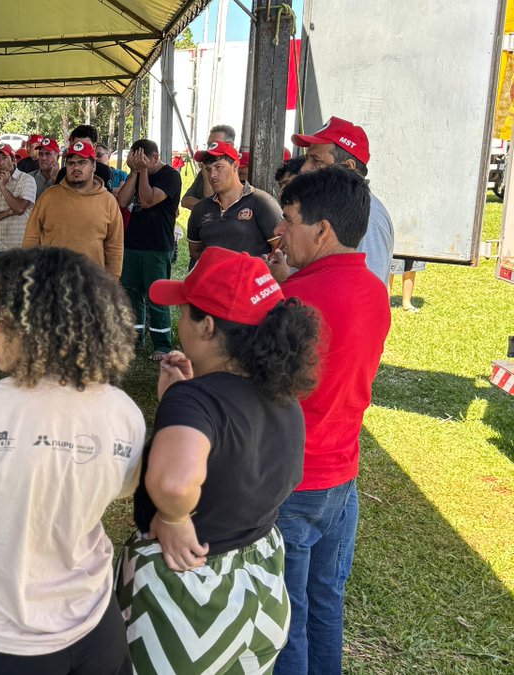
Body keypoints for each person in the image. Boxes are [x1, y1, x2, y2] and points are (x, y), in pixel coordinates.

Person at [0, 246, 144, 674]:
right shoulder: (124, 411)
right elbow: (117, 489)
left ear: (39, 326)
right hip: (95, 628)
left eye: (1, 314)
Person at [118, 247, 319, 673]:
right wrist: (181, 400)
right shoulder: (283, 397)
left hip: (188, 597)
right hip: (261, 581)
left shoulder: (196, 401)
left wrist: (174, 519)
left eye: (186, 312)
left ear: (207, 326)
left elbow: (175, 482)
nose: (179, 322)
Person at [267, 167, 391, 675]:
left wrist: (279, 291)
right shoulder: (372, 288)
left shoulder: (296, 302)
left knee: (287, 616)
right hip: (342, 476)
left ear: (322, 230)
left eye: (290, 220)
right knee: (324, 603)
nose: (280, 232)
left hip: (295, 481)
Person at [293, 115, 394, 283]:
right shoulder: (333, 206)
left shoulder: (370, 216)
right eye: (306, 159)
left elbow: (365, 289)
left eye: (316, 161)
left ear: (348, 167)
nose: (304, 169)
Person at [116, 139, 183, 359]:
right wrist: (134, 172)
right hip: (133, 244)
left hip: (157, 246)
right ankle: (135, 341)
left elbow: (146, 200)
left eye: (143, 159)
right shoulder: (138, 172)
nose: (139, 163)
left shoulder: (170, 175)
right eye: (135, 159)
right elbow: (123, 201)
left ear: (154, 158)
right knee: (132, 294)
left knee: (157, 295)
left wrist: (143, 171)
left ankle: (162, 344)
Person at [23, 140, 125, 278]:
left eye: (82, 162)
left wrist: (112, 283)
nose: (76, 167)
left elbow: (114, 248)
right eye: (71, 163)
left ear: (93, 165)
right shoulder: (48, 197)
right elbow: (31, 238)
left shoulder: (108, 201)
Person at [186, 142, 283, 262]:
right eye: (208, 169)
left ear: (235, 166)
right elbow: (195, 251)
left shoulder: (261, 202)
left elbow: (282, 249)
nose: (213, 175)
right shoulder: (200, 208)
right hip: (213, 279)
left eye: (218, 167)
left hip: (249, 279)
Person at [0, 144, 36, 271]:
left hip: (17, 247)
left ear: (13, 159)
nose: (1, 162)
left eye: (4, 157)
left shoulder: (26, 180)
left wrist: (3, 187)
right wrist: (8, 212)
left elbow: (20, 208)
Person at [181, 124, 236, 210]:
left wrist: (204, 206)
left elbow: (212, 201)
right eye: (209, 144)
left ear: (230, 145)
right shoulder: (205, 170)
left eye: (215, 144)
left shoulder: (236, 174)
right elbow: (185, 201)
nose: (210, 148)